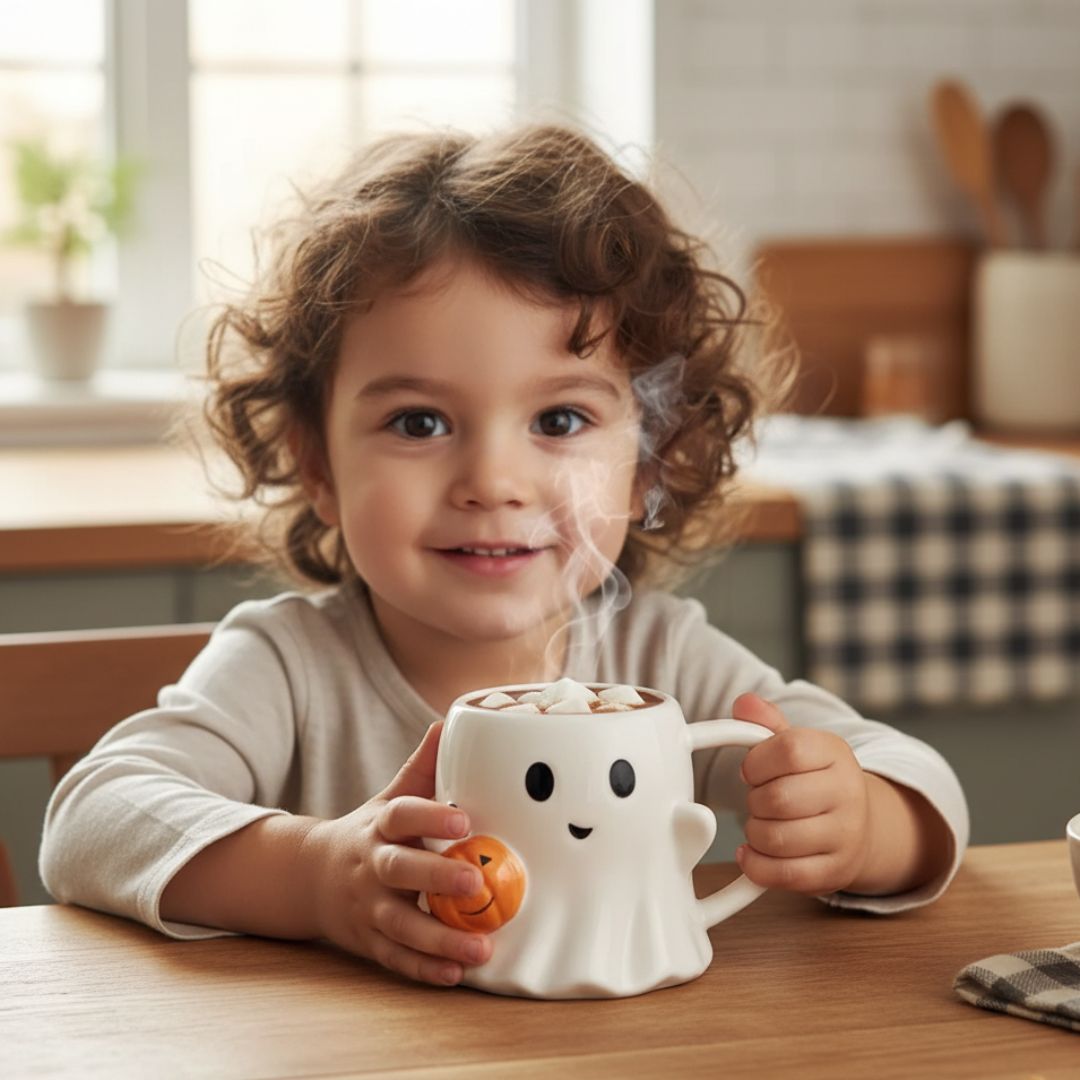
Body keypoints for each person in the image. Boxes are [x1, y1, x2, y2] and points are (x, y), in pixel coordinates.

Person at [40, 124, 968, 989]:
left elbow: (917, 782)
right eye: (419, 422)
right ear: (317, 463)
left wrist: (861, 823)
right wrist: (316, 876)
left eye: (560, 420)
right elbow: (94, 817)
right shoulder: (287, 667)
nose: (493, 479)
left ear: (652, 456)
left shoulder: (663, 662)